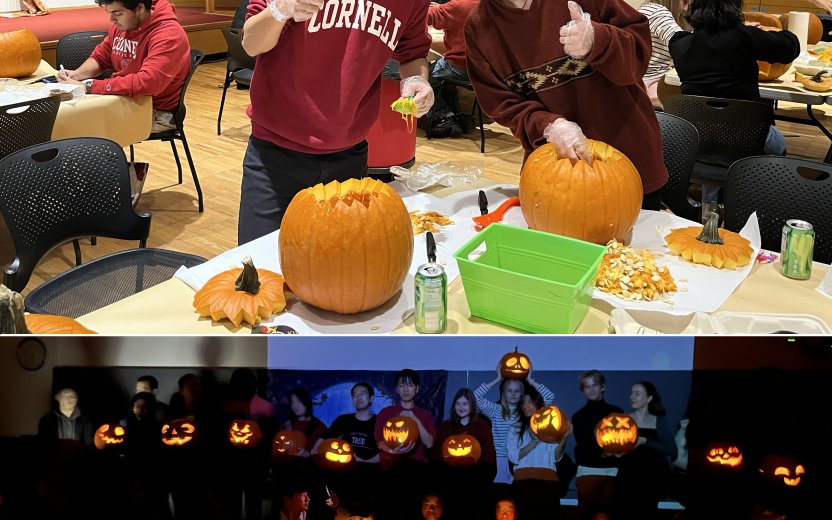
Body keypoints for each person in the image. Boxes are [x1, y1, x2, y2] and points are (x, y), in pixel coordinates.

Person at [237, 0, 435, 244]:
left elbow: (413, 52)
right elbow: (251, 43)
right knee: (262, 267)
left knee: (342, 267)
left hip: (349, 156)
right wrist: (280, 9)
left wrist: (417, 79)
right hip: (276, 155)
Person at [464, 0, 668, 210]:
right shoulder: (478, 27)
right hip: (556, 175)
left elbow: (638, 56)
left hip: (629, 163)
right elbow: (501, 104)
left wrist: (598, 41)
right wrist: (549, 125)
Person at [669, 0, 800, 205]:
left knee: (714, 135)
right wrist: (754, 31)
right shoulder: (745, 37)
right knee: (776, 143)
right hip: (748, 139)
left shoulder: (678, 44)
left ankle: (709, 207)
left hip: (698, 143)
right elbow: (791, 47)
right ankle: (757, 202)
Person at [56, 0, 191, 134]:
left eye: (118, 13)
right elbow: (101, 57)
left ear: (139, 8)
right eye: (109, 12)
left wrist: (89, 86)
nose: (112, 19)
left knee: (73, 127)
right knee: (62, 120)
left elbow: (148, 83)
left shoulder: (168, 35)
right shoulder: (123, 26)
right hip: (124, 101)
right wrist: (77, 74)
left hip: (155, 112)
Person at [474, 363, 554, 484]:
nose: (512, 394)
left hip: (522, 458)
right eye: (509, 390)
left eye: (516, 391)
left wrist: (530, 380)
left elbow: (549, 397)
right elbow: (475, 397)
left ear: (521, 394)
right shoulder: (496, 410)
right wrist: (498, 378)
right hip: (500, 460)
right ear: (504, 393)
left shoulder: (527, 412)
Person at [374, 369, 436, 519]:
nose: (406, 389)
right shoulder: (386, 412)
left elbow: (429, 443)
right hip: (390, 469)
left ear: (417, 388)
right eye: (402, 385)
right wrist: (392, 451)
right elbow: (379, 441)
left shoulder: (424, 414)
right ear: (396, 389)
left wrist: (415, 419)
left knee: (413, 512)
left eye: (410, 385)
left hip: (416, 470)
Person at [613, 381, 677, 520]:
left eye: (637, 393)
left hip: (651, 479)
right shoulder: (624, 420)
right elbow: (615, 447)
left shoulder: (658, 421)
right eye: (631, 393)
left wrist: (645, 441)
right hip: (628, 478)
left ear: (649, 398)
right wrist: (615, 452)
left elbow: (671, 448)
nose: (632, 397)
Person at [507, 388, 571, 520]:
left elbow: (556, 457)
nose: (526, 406)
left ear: (538, 403)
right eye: (523, 403)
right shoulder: (515, 429)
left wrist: (564, 438)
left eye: (530, 402)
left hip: (547, 484)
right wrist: (533, 443)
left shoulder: (550, 427)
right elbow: (513, 457)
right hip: (522, 484)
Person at [434, 388, 496, 519]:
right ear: (454, 406)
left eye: (465, 404)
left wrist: (478, 472)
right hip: (451, 480)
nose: (461, 407)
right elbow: (437, 453)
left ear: (472, 405)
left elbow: (489, 455)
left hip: (474, 481)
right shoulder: (446, 427)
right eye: (458, 403)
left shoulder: (482, 426)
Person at [571, 370, 624, 520]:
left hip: (613, 471)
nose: (591, 389)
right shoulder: (579, 416)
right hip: (588, 471)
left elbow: (625, 440)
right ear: (583, 391)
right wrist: (604, 453)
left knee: (612, 514)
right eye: (587, 386)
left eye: (595, 385)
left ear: (603, 387)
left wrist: (616, 453)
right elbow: (584, 444)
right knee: (586, 515)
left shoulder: (617, 413)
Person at [425, 0, 480, 138]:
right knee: (444, 80)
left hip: (460, 66)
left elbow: (423, 17)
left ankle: (443, 117)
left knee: (423, 77)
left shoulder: (457, 6)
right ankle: (455, 116)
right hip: (485, 71)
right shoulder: (493, 5)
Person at [636, 0, 691, 108]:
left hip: (648, 82)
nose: (686, 9)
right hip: (651, 85)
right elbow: (683, 46)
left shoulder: (650, 10)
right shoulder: (657, 12)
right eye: (684, 2)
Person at [314, 382, 380, 463]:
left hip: (370, 469)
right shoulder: (343, 420)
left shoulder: (380, 422)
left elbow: (386, 451)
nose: (358, 397)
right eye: (355, 395)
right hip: (345, 468)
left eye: (362, 394)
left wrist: (365, 462)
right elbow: (325, 436)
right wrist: (314, 450)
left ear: (371, 398)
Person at [288, 388, 327, 456]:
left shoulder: (320, 427)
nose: (295, 405)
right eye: (292, 402)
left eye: (299, 401)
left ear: (306, 402)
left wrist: (307, 455)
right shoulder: (288, 425)